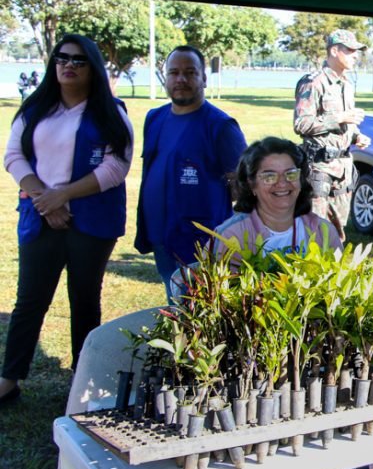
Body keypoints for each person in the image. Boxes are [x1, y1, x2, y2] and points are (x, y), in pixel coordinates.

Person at [0, 34, 134, 405]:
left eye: (78, 60)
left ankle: (84, 378)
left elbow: (117, 166)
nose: (68, 65)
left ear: (93, 68)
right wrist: (46, 198)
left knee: (84, 298)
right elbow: (14, 156)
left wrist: (65, 195)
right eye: (62, 58)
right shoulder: (35, 109)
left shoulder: (111, 113)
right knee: (30, 300)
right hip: (41, 215)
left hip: (91, 221)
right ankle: (10, 378)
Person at [134, 45, 247, 302]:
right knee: (174, 306)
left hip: (200, 243)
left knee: (198, 313)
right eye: (173, 72)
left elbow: (244, 186)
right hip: (161, 237)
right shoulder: (155, 118)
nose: (181, 79)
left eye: (190, 72)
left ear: (203, 78)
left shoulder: (220, 126)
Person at [294, 29, 371, 243]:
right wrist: (339, 117)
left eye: (357, 51)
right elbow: (301, 123)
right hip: (320, 168)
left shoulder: (346, 84)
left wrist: (356, 136)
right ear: (335, 51)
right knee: (314, 232)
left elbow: (345, 125)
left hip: (343, 169)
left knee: (338, 232)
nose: (356, 55)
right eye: (351, 50)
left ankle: (333, 272)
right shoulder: (313, 82)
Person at [212, 137, 342, 259]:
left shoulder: (324, 232)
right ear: (251, 184)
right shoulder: (231, 236)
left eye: (290, 174)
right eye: (269, 176)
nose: (282, 183)